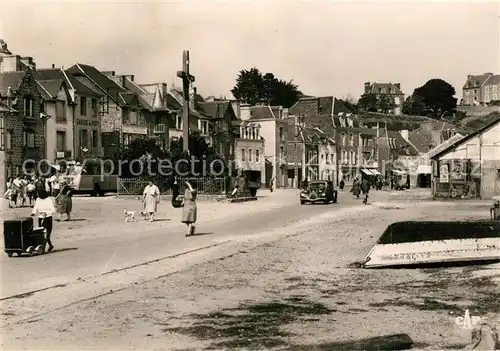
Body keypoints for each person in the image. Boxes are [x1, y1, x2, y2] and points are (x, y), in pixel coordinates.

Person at [31, 188, 56, 252]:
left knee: (47, 234)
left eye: (38, 193)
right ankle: (47, 246)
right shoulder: (38, 199)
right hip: (41, 217)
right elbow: (36, 207)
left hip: (48, 218)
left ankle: (45, 247)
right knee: (42, 233)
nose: (37, 194)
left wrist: (46, 213)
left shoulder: (48, 200)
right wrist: (33, 213)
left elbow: (53, 209)